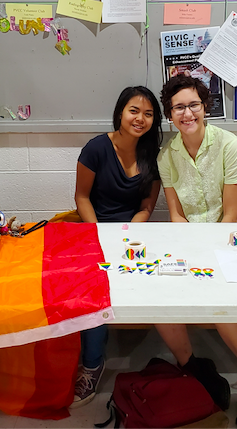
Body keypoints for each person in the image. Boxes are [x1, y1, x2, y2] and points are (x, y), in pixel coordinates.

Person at [156, 76, 237, 429]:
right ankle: (196, 370)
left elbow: (232, 217)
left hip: (235, 241)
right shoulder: (167, 156)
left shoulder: (229, 145)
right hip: (193, 244)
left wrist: (207, 258)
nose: (187, 113)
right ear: (170, 115)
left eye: (193, 104)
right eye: (178, 107)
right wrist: (188, 253)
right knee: (158, 300)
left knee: (221, 304)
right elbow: (176, 214)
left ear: (205, 107)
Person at [72, 86, 163, 406]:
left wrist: (127, 236)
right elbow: (82, 197)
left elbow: (146, 207)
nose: (140, 118)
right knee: (92, 292)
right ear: (120, 113)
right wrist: (100, 236)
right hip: (94, 231)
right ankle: (92, 363)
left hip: (133, 234)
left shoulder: (152, 156)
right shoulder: (96, 148)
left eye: (148, 114)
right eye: (134, 111)